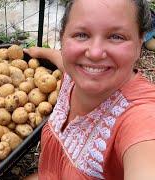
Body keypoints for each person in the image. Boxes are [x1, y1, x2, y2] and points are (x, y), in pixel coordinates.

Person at [23, 0, 155, 179]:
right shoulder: (74, 74)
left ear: (139, 44)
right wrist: (39, 52)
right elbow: (61, 61)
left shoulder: (142, 117)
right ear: (63, 37)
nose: (94, 53)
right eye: (81, 34)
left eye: (116, 36)